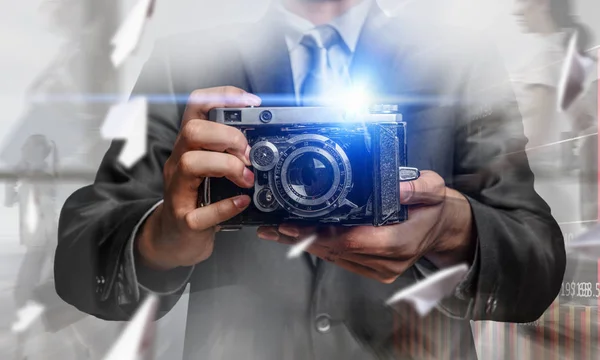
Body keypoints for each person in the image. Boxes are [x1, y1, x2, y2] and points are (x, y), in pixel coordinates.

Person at [55, 0, 565, 359]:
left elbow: (536, 264)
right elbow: (82, 257)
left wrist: (455, 229)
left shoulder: (461, 61)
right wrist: (159, 239)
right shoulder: (183, 63)